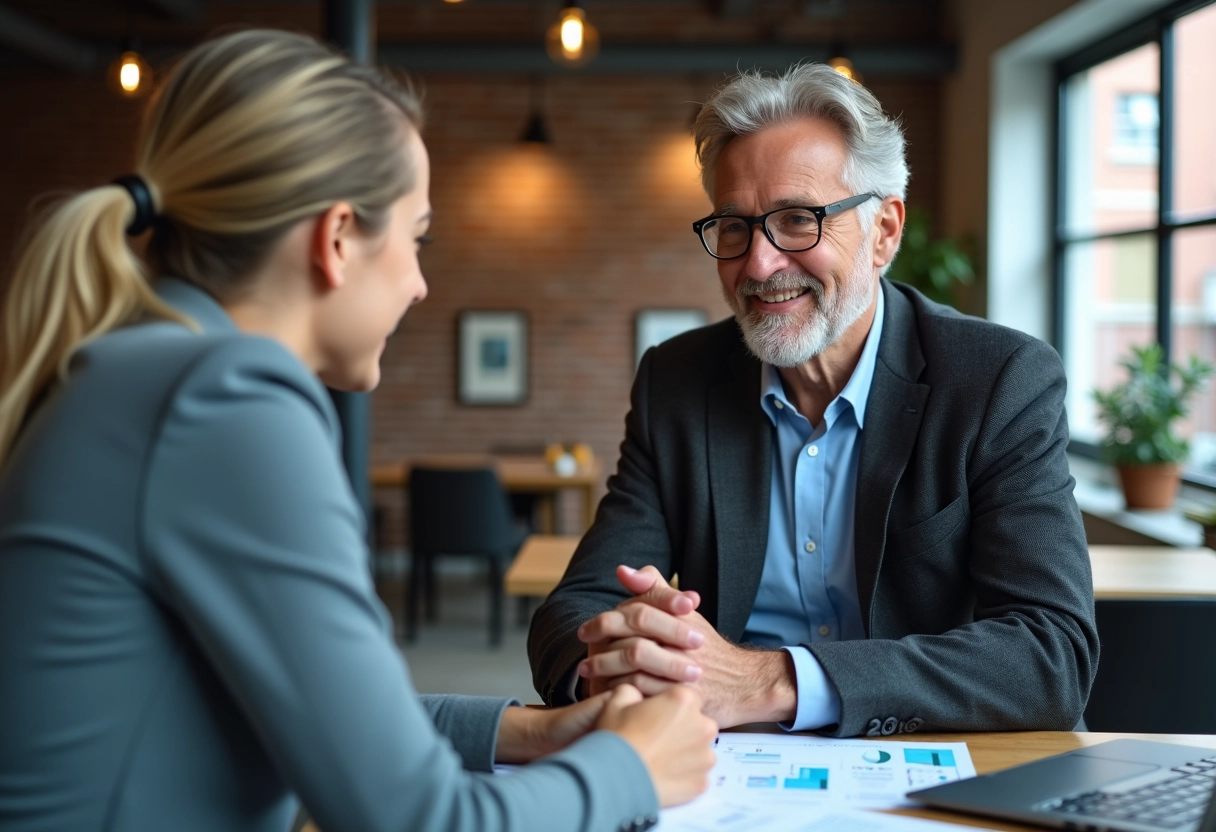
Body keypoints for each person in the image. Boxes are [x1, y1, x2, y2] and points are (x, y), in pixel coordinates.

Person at [0, 29, 717, 832]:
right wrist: (630, 770)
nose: (418, 286)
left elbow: (332, 716)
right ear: (337, 239)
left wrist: (538, 731)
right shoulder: (223, 400)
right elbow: (416, 819)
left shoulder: (146, 371)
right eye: (417, 240)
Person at [528, 63, 1099, 738]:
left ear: (884, 231)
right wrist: (627, 655)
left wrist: (771, 681)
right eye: (734, 228)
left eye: (798, 220)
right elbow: (575, 612)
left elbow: (1049, 654)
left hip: (931, 762)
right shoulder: (676, 382)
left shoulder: (999, 380)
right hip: (724, 767)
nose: (760, 264)